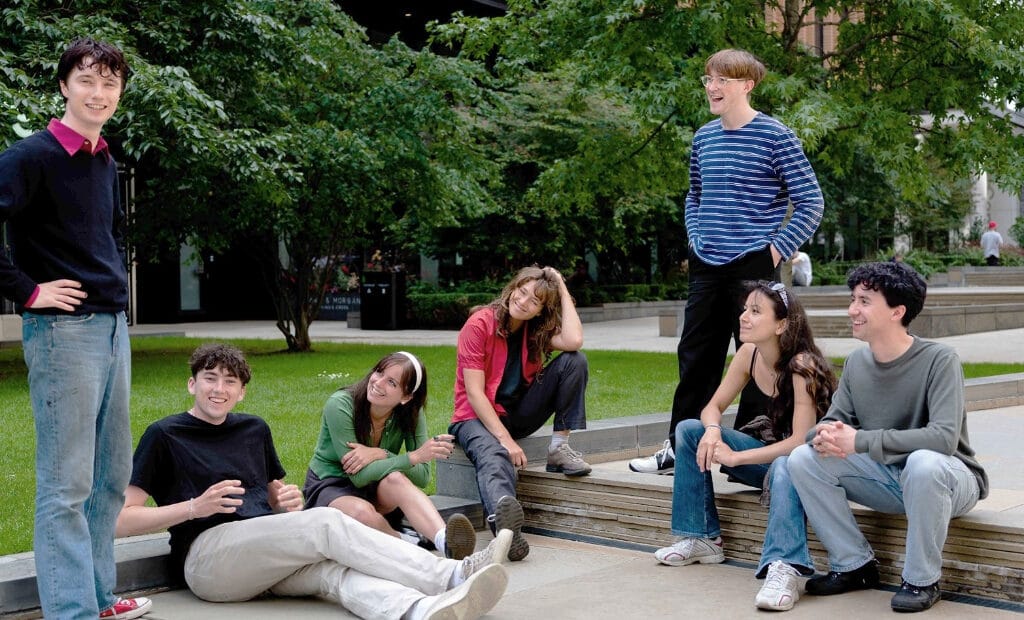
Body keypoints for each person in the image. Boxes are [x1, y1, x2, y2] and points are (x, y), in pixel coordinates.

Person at [116, 343, 513, 620]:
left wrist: (281, 503)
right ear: (192, 384)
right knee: (326, 522)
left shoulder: (254, 429)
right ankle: (450, 574)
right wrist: (193, 508)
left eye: (230, 382)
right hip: (207, 561)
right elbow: (121, 520)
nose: (219, 389)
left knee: (335, 574)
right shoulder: (164, 435)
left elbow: (268, 500)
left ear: (242, 392)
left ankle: (418, 609)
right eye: (210, 378)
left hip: (262, 557)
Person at [0, 39, 150, 619]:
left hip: (112, 329)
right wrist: (28, 290)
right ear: (64, 86)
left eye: (110, 83)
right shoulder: (29, 157)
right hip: (63, 335)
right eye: (86, 80)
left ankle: (98, 599)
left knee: (109, 479)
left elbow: (107, 235)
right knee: (66, 486)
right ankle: (71, 612)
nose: (99, 93)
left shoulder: (104, 160)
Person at [629, 48, 824, 475]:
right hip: (706, 262)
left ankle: (749, 449)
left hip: (753, 263)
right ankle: (680, 448)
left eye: (722, 80)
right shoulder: (704, 137)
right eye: (708, 80)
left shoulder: (776, 136)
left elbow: (811, 201)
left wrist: (776, 249)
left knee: (757, 355)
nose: (712, 88)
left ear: (747, 85)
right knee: (695, 356)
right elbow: (694, 195)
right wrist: (695, 237)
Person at [787, 262, 989, 613]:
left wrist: (860, 441)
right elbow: (834, 422)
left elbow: (943, 439)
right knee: (804, 458)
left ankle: (922, 580)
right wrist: (822, 434)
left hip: (948, 479)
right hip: (890, 479)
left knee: (923, 463)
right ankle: (854, 565)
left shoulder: (940, 360)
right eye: (853, 299)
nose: (852, 310)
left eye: (864, 301)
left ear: (898, 312)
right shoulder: (857, 364)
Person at [652, 282, 836, 612]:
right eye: (745, 309)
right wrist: (712, 431)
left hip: (811, 469)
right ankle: (702, 537)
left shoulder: (803, 366)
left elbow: (799, 442)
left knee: (786, 462)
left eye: (755, 311)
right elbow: (713, 406)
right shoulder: (749, 354)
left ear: (781, 325)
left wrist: (736, 457)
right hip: (774, 461)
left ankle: (785, 566)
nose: (744, 316)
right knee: (689, 430)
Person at [449, 265, 591, 562]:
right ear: (512, 288)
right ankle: (507, 534)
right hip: (473, 417)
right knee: (493, 454)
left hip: (517, 413)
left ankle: (558, 448)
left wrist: (561, 285)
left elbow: (574, 341)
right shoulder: (479, 324)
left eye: (534, 301)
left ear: (541, 310)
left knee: (574, 361)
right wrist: (505, 440)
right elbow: (474, 393)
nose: (524, 302)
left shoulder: (534, 330)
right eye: (522, 292)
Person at [304, 351, 478, 560]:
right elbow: (358, 476)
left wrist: (381, 453)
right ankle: (410, 543)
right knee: (362, 513)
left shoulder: (411, 412)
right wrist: (413, 457)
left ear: (406, 397)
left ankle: (446, 542)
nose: (378, 383)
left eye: (392, 383)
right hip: (331, 484)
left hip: (376, 485)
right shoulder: (341, 404)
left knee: (396, 478)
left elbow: (423, 477)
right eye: (379, 372)